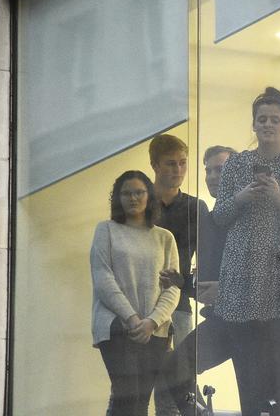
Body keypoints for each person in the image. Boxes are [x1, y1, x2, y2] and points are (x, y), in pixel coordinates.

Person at [213, 87, 280, 416]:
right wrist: (242, 197)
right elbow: (219, 216)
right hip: (242, 272)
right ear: (254, 126)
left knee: (277, 357)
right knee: (245, 361)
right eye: (262, 119)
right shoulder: (235, 165)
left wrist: (278, 198)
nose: (268, 125)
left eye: (275, 119)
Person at [90, 170, 180, 416]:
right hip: (117, 326)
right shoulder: (106, 230)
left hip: (155, 330)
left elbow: (172, 287)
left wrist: (152, 321)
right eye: (126, 193)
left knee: (140, 402)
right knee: (126, 397)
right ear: (117, 198)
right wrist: (132, 319)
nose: (132, 198)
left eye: (139, 192)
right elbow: (103, 278)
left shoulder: (165, 238)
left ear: (149, 195)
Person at [160, 145, 237, 416]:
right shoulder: (212, 218)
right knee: (174, 369)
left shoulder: (245, 217)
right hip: (222, 322)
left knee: (256, 397)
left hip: (250, 324)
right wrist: (183, 282)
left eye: (221, 169)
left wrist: (224, 291)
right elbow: (208, 283)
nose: (213, 176)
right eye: (208, 170)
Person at [147, 134, 207, 416]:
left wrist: (195, 283)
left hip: (180, 303)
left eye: (183, 163)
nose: (178, 170)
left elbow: (210, 257)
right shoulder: (141, 207)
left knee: (180, 379)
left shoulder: (195, 207)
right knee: (151, 383)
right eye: (171, 164)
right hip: (144, 305)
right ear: (155, 165)